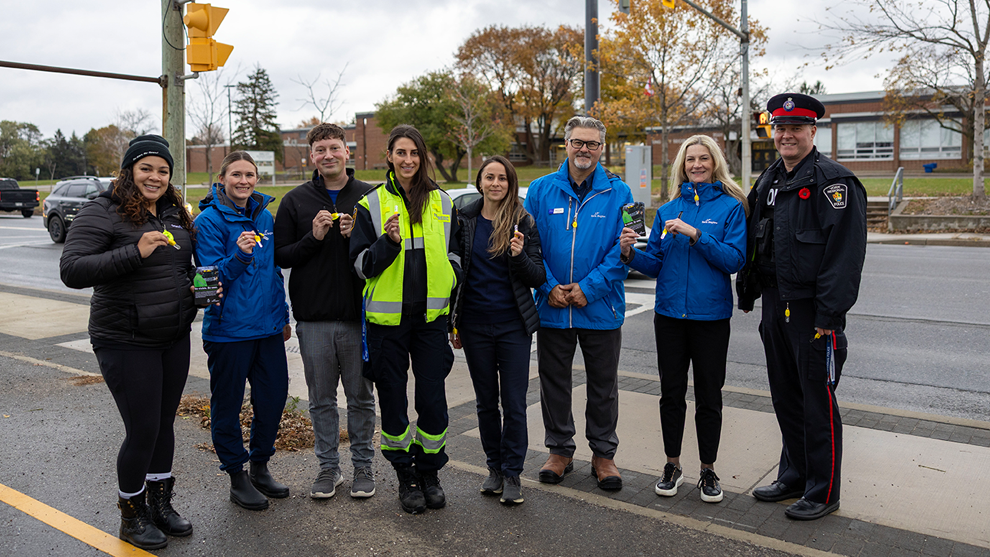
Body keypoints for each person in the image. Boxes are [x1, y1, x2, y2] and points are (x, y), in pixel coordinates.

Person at [60, 135, 198, 550]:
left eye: (163, 170)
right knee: (143, 429)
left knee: (165, 424)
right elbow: (73, 270)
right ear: (129, 171)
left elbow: (179, 269)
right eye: (146, 168)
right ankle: (131, 513)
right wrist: (134, 252)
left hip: (173, 336)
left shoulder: (174, 213)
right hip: (125, 338)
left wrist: (198, 288)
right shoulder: (102, 212)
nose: (155, 177)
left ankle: (160, 504)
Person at [736, 93, 867, 520]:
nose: (786, 135)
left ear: (813, 131)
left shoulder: (834, 183)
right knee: (785, 397)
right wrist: (749, 288)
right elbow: (757, 239)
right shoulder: (770, 179)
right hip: (777, 304)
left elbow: (844, 257)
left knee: (816, 402)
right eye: (780, 127)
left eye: (796, 128)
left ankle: (823, 489)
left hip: (813, 312)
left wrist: (831, 316)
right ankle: (793, 474)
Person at [619, 135, 748, 504]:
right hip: (670, 316)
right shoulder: (667, 210)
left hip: (710, 317)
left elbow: (734, 260)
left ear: (715, 162)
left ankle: (708, 470)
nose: (696, 165)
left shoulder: (730, 208)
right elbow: (658, 263)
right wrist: (629, 253)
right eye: (690, 159)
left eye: (703, 159)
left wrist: (696, 235)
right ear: (682, 165)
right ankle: (672, 464)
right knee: (671, 394)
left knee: (709, 396)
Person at [349, 125, 461, 514]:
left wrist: (453, 278)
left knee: (432, 401)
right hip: (387, 325)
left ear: (422, 156)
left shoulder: (444, 203)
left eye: (414, 153)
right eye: (401, 153)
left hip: (431, 321)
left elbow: (456, 255)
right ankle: (405, 475)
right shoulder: (371, 205)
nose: (408, 160)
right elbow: (361, 267)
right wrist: (388, 243)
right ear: (390, 157)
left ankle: (429, 471)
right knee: (393, 404)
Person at [523, 116, 633, 490]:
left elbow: (629, 250)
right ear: (565, 145)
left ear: (602, 148)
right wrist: (549, 286)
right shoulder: (539, 190)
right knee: (554, 383)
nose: (584, 149)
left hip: (601, 307)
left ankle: (604, 455)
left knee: (603, 386)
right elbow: (529, 246)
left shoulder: (623, 193)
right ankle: (560, 451)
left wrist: (590, 287)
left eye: (592, 144)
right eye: (577, 142)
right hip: (552, 307)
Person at [274, 123, 378, 500]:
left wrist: (358, 238)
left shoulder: (369, 196)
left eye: (335, 148)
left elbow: (384, 256)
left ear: (347, 151)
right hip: (314, 319)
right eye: (321, 150)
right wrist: (313, 238)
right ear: (312, 156)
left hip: (358, 318)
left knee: (361, 398)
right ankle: (328, 468)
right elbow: (281, 255)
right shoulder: (295, 200)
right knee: (321, 399)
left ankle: (364, 466)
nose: (328, 155)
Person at [193, 151, 292, 511]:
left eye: (250, 175)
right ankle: (237, 475)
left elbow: (273, 273)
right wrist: (238, 256)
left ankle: (261, 466)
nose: (244, 181)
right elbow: (205, 282)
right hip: (228, 332)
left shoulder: (264, 215)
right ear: (222, 179)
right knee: (227, 406)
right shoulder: (207, 222)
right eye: (236, 174)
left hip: (267, 329)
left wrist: (282, 316)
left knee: (273, 398)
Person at [449, 155, 545, 505]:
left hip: (513, 325)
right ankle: (493, 468)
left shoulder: (523, 221)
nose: (495, 183)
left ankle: (513, 473)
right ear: (480, 182)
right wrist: (453, 322)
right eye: (489, 177)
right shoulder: (465, 219)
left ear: (510, 183)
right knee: (486, 403)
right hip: (474, 324)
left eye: (502, 178)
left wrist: (519, 256)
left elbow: (538, 276)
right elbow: (455, 274)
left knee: (514, 404)